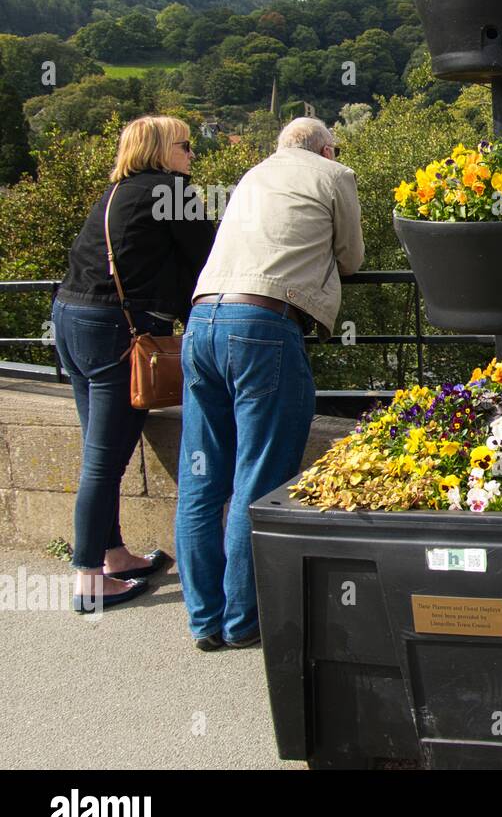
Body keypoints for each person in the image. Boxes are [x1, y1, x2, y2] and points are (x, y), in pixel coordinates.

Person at [174, 118, 363, 652]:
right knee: (257, 475)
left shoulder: (251, 175)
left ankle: (204, 620)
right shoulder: (334, 174)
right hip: (262, 326)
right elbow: (352, 257)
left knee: (202, 476)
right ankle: (242, 621)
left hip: (201, 322)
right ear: (326, 148)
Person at [52, 115, 215, 612]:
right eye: (185, 146)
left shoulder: (115, 194)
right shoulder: (175, 193)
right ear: (163, 150)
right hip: (118, 332)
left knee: (97, 449)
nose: (192, 156)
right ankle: (88, 578)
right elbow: (210, 259)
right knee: (104, 459)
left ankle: (114, 555)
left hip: (70, 319)